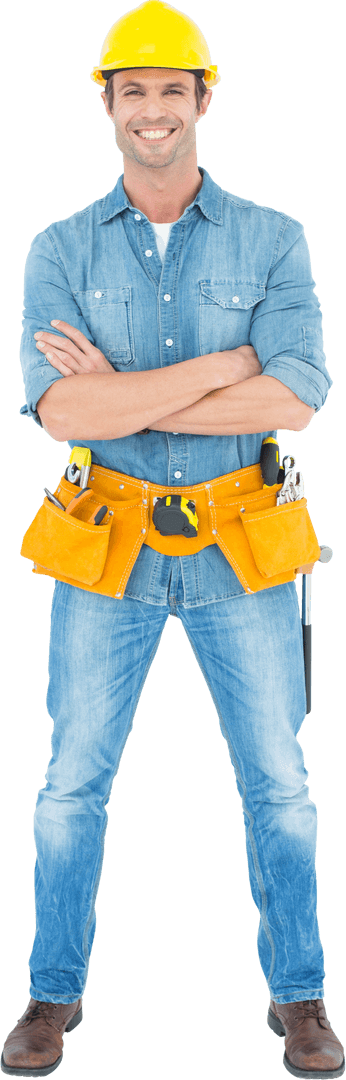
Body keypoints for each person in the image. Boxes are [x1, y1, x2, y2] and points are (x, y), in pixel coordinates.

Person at [2, 2, 344, 1077]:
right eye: (132, 92)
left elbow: (294, 399)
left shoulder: (273, 236)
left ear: (203, 99)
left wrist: (128, 393)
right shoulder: (57, 247)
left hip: (244, 547)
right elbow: (59, 414)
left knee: (277, 786)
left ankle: (299, 999)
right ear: (108, 104)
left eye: (171, 90)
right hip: (102, 547)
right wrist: (218, 369)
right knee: (69, 787)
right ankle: (51, 995)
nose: (153, 111)